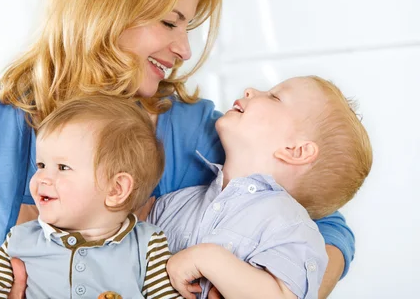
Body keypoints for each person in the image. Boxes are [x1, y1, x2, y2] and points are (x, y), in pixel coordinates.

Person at [0, 0, 354, 299]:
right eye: (168, 22)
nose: (182, 49)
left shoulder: (199, 131)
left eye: (188, 27)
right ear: (104, 7)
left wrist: (277, 286)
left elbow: (324, 226)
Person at [149, 76, 372, 299]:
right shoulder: (175, 204)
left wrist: (208, 259)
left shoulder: (293, 229)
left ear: (296, 151)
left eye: (274, 97)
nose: (249, 90)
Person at [0, 95, 181, 298]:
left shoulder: (148, 244)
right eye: (41, 165)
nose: (43, 178)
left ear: (116, 189)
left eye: (63, 167)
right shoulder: (19, 240)